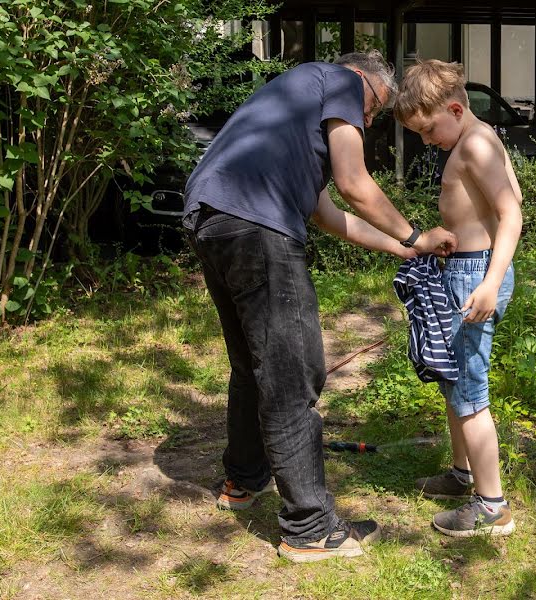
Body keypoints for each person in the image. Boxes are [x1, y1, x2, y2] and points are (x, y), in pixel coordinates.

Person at [182, 50, 457, 563]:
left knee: (250, 363)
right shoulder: (343, 83)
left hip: (211, 216)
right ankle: (309, 527)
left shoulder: (293, 96)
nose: (367, 121)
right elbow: (355, 184)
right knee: (290, 372)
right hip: (257, 227)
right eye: (374, 112)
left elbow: (325, 211)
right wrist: (417, 231)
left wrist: (403, 247)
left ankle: (244, 481)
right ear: (367, 84)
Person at [394, 59, 523, 537]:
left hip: (475, 278)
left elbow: (512, 215)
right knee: (455, 380)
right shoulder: (479, 137)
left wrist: (489, 281)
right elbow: (501, 203)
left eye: (428, 132)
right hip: (466, 265)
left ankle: (492, 507)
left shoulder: (474, 144)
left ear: (453, 108)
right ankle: (462, 472)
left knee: (469, 391)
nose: (427, 142)